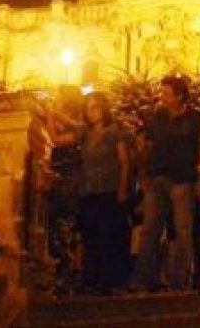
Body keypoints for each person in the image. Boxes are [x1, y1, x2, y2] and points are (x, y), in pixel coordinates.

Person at [54, 92, 133, 295]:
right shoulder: (85, 133)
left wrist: (123, 188)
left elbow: (124, 162)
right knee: (91, 235)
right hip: (89, 191)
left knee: (109, 234)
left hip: (109, 190)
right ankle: (93, 279)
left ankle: (110, 280)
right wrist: (50, 113)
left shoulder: (115, 132)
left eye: (96, 107)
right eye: (88, 108)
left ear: (103, 109)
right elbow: (59, 140)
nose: (92, 112)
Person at [131, 76, 200, 292]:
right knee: (149, 229)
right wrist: (143, 173)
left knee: (183, 231)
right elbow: (148, 146)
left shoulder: (194, 118)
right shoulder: (156, 117)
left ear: (180, 96)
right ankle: (144, 278)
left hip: (183, 178)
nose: (162, 96)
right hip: (157, 177)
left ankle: (179, 280)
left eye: (166, 93)